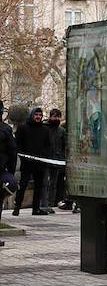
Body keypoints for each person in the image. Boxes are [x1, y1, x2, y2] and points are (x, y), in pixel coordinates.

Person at [12, 107, 51, 216]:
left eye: (40, 115)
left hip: (39, 162)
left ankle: (36, 208)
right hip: (27, 162)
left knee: (39, 185)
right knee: (23, 184)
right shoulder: (23, 128)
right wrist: (23, 155)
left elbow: (47, 145)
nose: (38, 117)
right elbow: (17, 143)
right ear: (32, 115)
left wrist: (43, 156)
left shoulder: (45, 129)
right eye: (36, 115)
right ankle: (17, 207)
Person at [42, 108, 66, 213]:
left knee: (53, 184)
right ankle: (44, 203)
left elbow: (64, 145)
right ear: (50, 116)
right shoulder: (44, 128)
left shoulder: (61, 131)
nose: (56, 118)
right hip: (46, 159)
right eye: (54, 116)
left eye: (58, 116)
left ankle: (50, 204)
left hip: (57, 160)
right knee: (45, 183)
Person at [0, 100, 17, 241]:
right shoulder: (5, 129)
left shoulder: (5, 129)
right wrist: (10, 172)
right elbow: (12, 152)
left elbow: (12, 152)